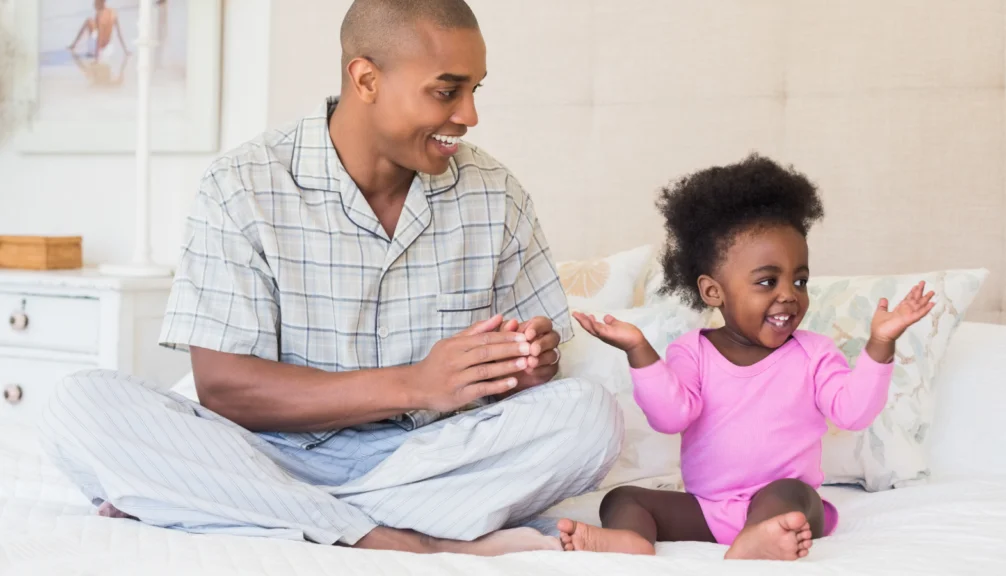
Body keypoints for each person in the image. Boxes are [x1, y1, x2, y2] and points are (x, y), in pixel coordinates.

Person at [38, 0, 623, 557]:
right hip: (262, 454)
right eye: (448, 91)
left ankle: (255, 512)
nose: (469, 115)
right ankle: (407, 537)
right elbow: (224, 388)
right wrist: (416, 384)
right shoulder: (242, 185)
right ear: (366, 79)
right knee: (76, 405)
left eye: (474, 90)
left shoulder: (496, 195)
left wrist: (523, 368)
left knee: (589, 417)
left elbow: (528, 386)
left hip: (425, 460)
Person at [556, 154, 935, 560]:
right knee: (622, 499)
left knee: (792, 493)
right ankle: (632, 541)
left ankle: (761, 539)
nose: (789, 293)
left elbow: (853, 413)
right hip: (707, 509)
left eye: (800, 279)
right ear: (713, 291)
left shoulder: (813, 353)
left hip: (785, 507)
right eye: (768, 281)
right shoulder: (692, 351)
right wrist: (640, 351)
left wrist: (880, 343)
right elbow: (670, 417)